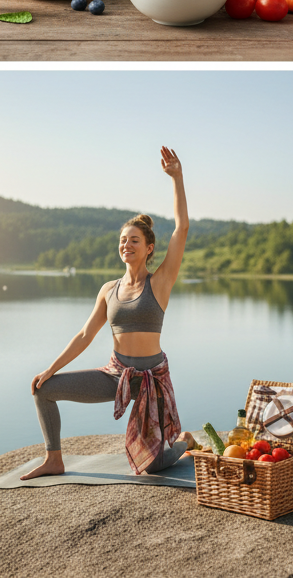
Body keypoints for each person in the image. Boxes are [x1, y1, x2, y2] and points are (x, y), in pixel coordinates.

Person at [22, 146, 196, 479]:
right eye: (122, 240)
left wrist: (177, 178)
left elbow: (182, 228)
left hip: (151, 381)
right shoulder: (108, 290)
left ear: (149, 248)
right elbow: (85, 335)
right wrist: (50, 369)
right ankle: (54, 458)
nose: (126, 245)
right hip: (117, 377)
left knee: (154, 466)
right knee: (43, 390)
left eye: (134, 240)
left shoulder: (160, 283)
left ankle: (184, 442)